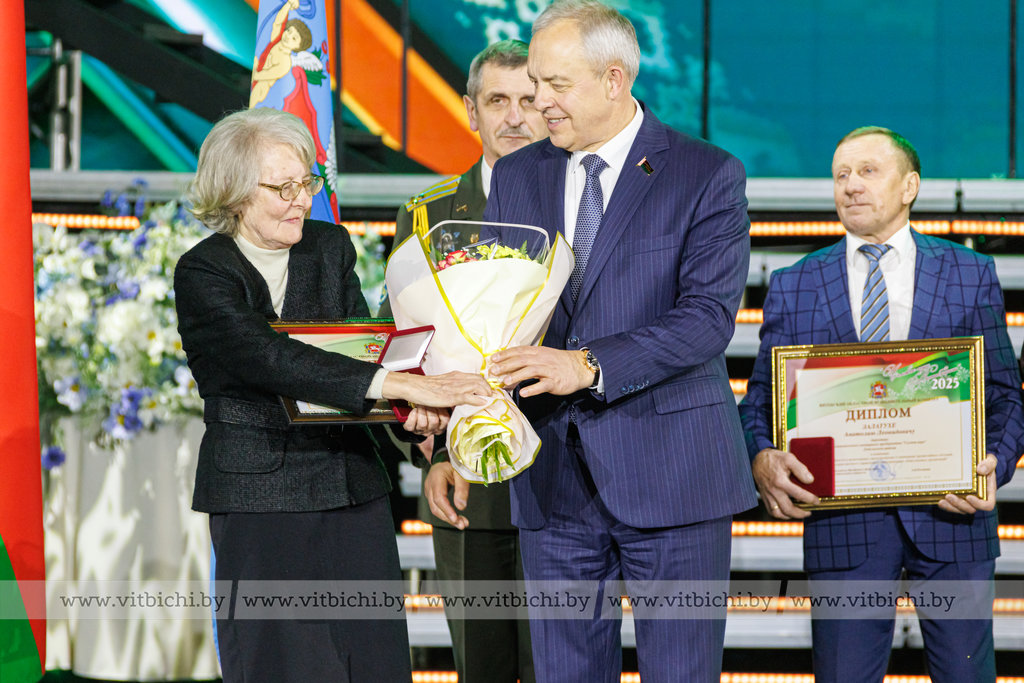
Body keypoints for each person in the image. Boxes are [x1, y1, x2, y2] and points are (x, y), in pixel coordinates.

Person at [429, 2, 758, 680]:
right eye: (534, 83)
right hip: (550, 479)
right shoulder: (518, 175)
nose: (538, 104)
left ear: (614, 79)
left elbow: (707, 318)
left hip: (675, 476)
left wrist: (587, 364)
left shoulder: (706, 173)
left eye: (556, 85)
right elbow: (493, 310)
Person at [173, 107, 492, 683]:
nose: (302, 200)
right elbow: (270, 358)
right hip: (259, 498)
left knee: (372, 662)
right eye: (284, 188)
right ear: (235, 193)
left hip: (351, 487)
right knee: (280, 663)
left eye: (308, 182)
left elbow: (363, 347)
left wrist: (412, 412)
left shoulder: (328, 246)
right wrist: (401, 385)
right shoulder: (203, 272)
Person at [738, 126, 1024, 682]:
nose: (850, 185)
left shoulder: (969, 272)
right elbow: (760, 403)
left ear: (909, 186)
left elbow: (1004, 393)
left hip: (952, 516)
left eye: (868, 171)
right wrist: (761, 456)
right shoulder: (795, 283)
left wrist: (994, 462)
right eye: (841, 175)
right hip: (843, 525)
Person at [380, 38, 544, 683]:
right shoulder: (427, 217)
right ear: (471, 111)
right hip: (466, 482)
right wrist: (432, 450)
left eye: (529, 99)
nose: (515, 116)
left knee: (566, 666)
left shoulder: (589, 207)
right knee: (481, 666)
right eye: (497, 100)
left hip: (570, 486)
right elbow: (403, 344)